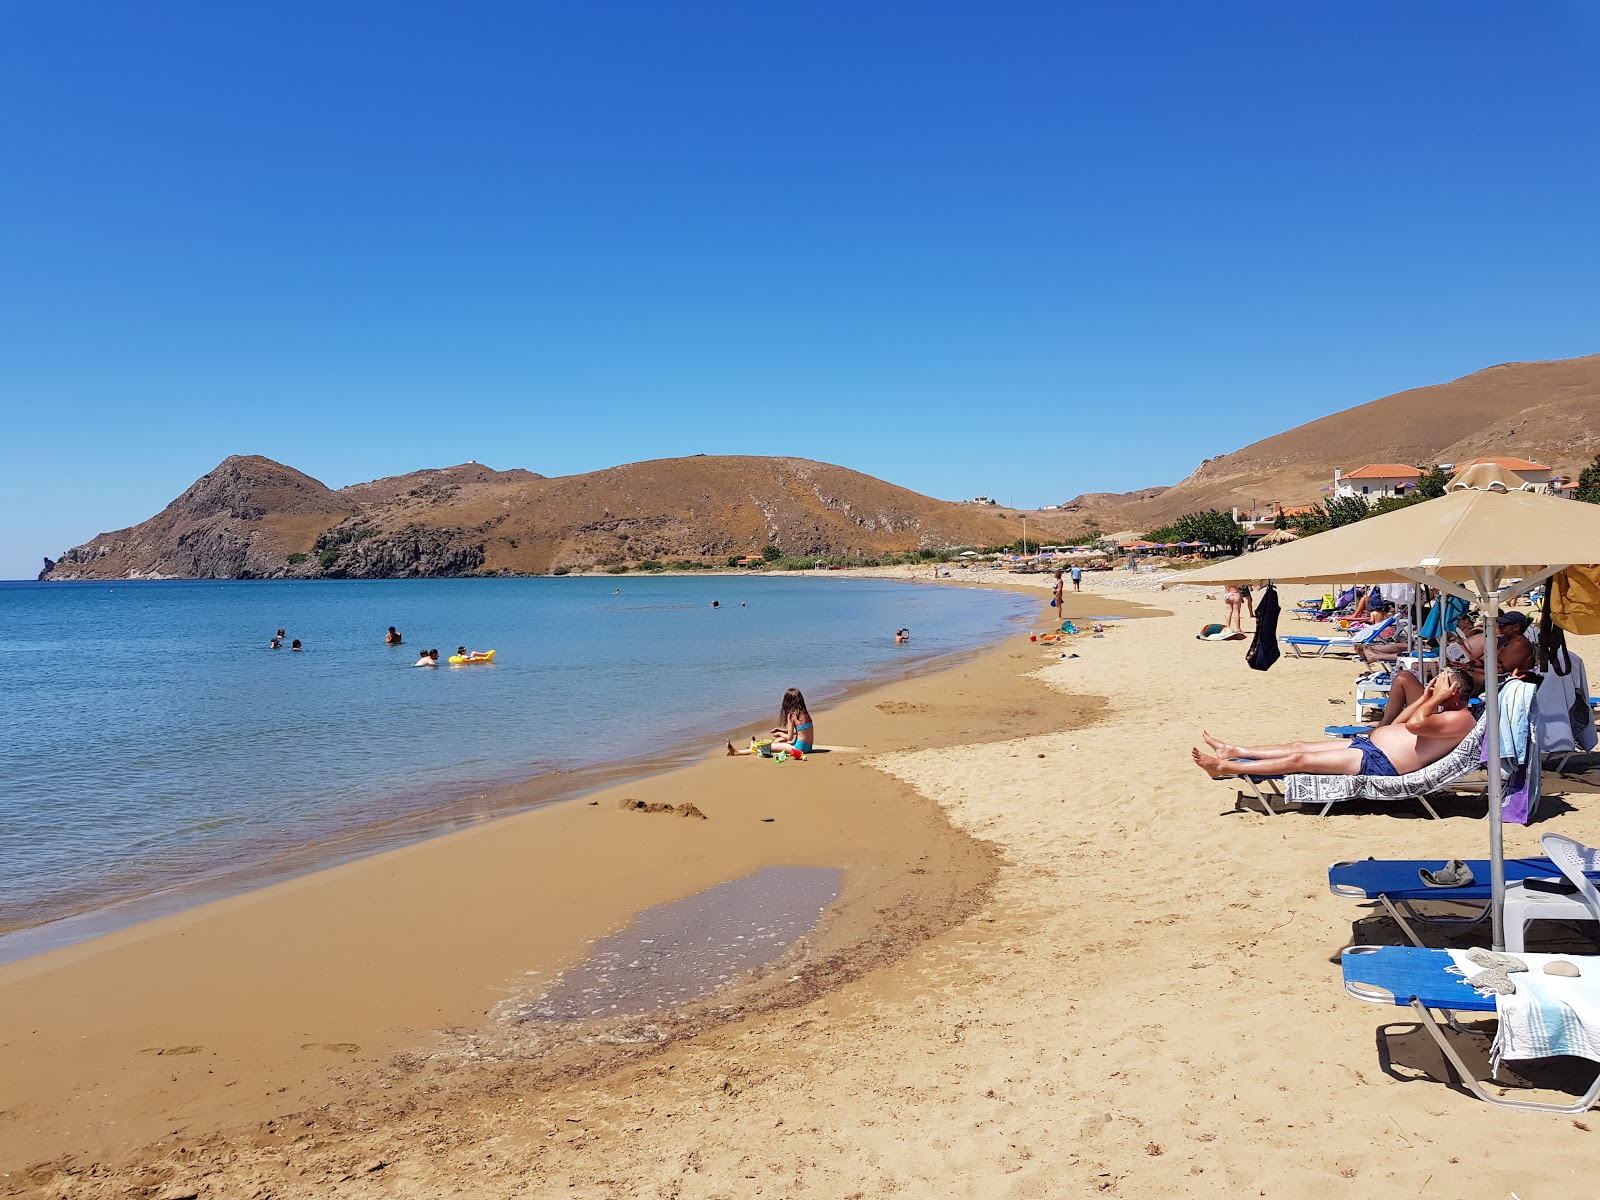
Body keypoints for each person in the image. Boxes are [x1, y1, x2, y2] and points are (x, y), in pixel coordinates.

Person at [1193, 667, 1477, 779]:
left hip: (1381, 763)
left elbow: (1415, 725)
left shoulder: (1460, 719)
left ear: (1452, 692)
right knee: (1298, 745)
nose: (1433, 684)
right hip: (1371, 746)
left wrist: (1432, 699)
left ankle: (1222, 768)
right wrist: (1427, 696)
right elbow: (1401, 723)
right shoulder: (1440, 713)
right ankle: (1234, 751)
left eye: (1440, 683)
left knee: (1298, 758)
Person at [1374, 611, 1535, 727]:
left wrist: (1470, 670)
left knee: (1454, 678)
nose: (1500, 627)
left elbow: (1499, 670)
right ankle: (1399, 717)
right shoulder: (1507, 643)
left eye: (1504, 625)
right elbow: (1487, 664)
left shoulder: (1520, 643)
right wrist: (1469, 665)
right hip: (1493, 679)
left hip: (1500, 683)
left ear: (1516, 627)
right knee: (1454, 673)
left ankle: (1399, 718)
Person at [728, 688, 815, 757]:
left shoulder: (792, 715)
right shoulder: (804, 714)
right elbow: (801, 732)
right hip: (808, 747)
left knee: (766, 747)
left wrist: (781, 733)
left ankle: (738, 752)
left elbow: (789, 737)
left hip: (798, 749)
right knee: (778, 740)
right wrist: (783, 731)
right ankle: (752, 745)